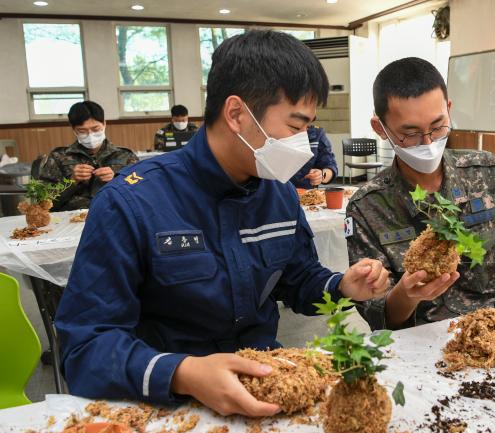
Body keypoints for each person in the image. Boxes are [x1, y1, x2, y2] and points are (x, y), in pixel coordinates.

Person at [55, 30, 389, 417]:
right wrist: (183, 372)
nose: (306, 144)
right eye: (296, 127)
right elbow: (84, 348)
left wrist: (341, 285)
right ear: (236, 114)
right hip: (169, 404)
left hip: (265, 388)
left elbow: (296, 277)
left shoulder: (277, 192)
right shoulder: (132, 203)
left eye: (309, 129)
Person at [346, 57, 495, 330]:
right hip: (423, 340)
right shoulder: (368, 206)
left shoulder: (488, 171)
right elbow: (379, 314)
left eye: (437, 126)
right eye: (411, 133)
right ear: (380, 128)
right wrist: (406, 295)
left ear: (449, 110)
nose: (428, 142)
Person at [38, 101, 138, 211]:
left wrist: (117, 180)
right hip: (70, 221)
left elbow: (142, 193)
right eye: (82, 131)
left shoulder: (126, 156)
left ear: (104, 124)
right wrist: (71, 181)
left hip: (113, 217)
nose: (90, 135)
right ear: (74, 129)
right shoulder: (59, 157)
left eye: (95, 129)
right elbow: (43, 203)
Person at [289, 125, 338, 189]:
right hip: (278, 193)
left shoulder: (316, 133)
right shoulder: (275, 133)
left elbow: (330, 164)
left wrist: (321, 175)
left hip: (307, 192)